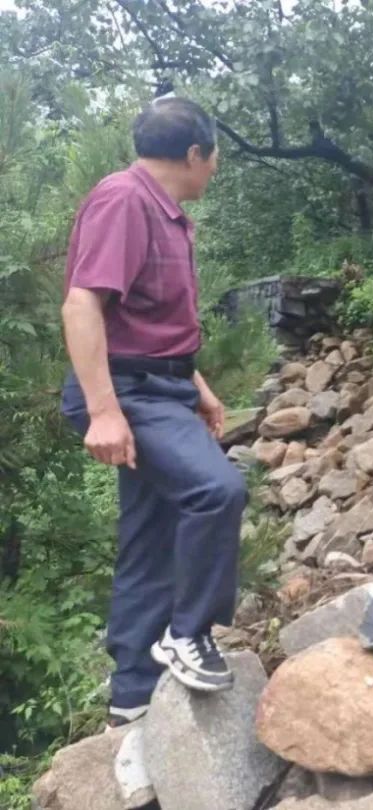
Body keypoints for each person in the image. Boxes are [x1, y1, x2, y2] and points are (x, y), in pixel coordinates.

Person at [60, 96, 247, 728]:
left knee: (151, 537)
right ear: (194, 153)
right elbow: (82, 305)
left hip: (160, 385)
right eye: (214, 156)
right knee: (217, 491)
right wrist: (104, 412)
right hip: (127, 392)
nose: (215, 168)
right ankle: (188, 634)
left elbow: (145, 321)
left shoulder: (164, 213)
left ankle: (133, 695)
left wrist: (198, 385)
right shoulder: (124, 201)